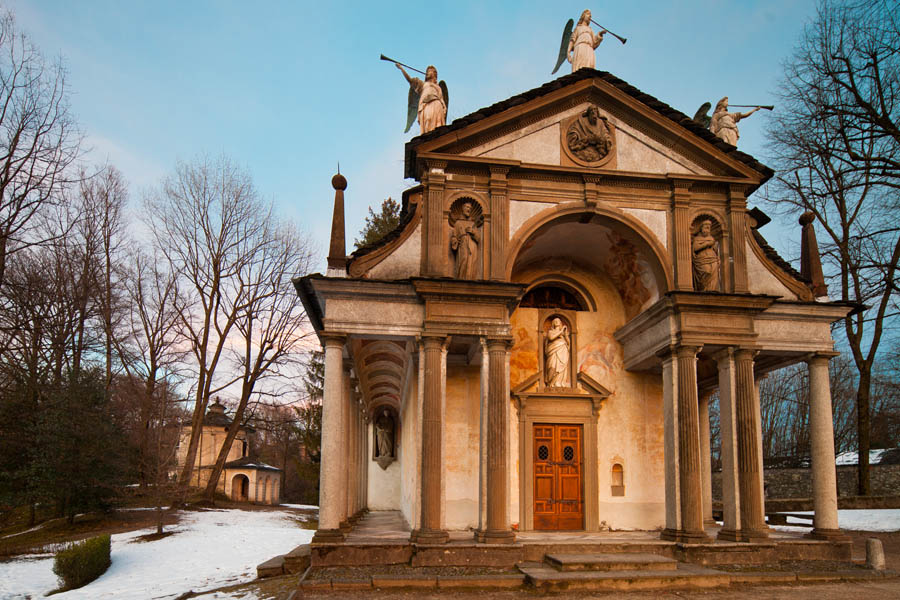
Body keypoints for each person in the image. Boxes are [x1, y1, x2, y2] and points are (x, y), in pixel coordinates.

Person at [396, 63, 446, 134]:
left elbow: (441, 99)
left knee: (438, 123)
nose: (428, 73)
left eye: (430, 71)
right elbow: (410, 80)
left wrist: (444, 109)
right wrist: (401, 68)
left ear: (434, 74)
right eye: (427, 72)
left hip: (436, 104)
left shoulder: (438, 87)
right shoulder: (422, 84)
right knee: (428, 120)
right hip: (426, 105)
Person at [450, 201, 480, 279]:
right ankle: (461, 278)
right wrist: (455, 241)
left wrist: (472, 232)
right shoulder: (458, 223)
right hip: (463, 245)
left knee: (472, 262)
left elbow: (478, 238)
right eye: (467, 207)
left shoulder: (473, 224)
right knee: (463, 260)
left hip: (472, 246)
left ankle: (471, 278)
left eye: (470, 208)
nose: (469, 209)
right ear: (463, 209)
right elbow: (454, 236)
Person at [692, 220, 720, 291]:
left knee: (713, 274)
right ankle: (703, 289)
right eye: (706, 227)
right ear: (701, 228)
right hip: (702, 260)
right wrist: (707, 244)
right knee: (706, 271)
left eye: (709, 228)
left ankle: (712, 289)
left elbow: (716, 250)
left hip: (713, 259)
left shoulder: (711, 238)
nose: (707, 229)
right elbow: (695, 248)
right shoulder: (697, 239)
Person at [545, 317, 570, 387]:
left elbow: (568, 343)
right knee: (552, 366)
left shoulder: (563, 334)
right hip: (553, 351)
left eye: (558, 321)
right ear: (553, 323)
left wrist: (565, 335)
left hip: (563, 351)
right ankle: (551, 383)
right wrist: (561, 331)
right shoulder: (551, 332)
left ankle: (559, 382)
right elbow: (551, 338)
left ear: (560, 323)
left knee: (562, 367)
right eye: (555, 320)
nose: (557, 321)